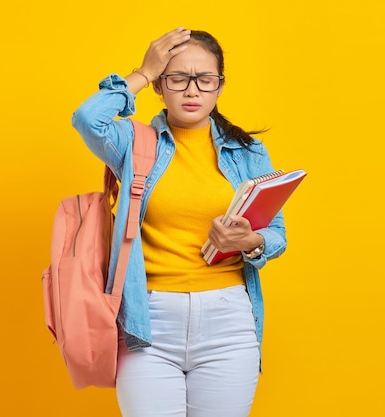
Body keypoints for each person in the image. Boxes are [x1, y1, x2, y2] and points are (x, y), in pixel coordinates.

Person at [72, 27, 287, 417]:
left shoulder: (248, 151)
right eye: (177, 78)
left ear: (220, 86)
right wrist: (141, 72)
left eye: (205, 80)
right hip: (148, 322)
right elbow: (88, 119)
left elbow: (277, 236)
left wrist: (249, 241)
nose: (192, 91)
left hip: (229, 322)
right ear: (160, 85)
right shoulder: (133, 144)